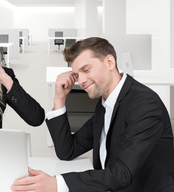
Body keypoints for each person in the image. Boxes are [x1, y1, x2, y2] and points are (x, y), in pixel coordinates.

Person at [11, 37, 174, 192]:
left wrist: (57, 183)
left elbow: (121, 174)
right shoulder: (105, 104)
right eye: (76, 75)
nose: (80, 81)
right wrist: (59, 99)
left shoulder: (143, 104)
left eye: (86, 70)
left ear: (109, 62)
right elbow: (68, 151)